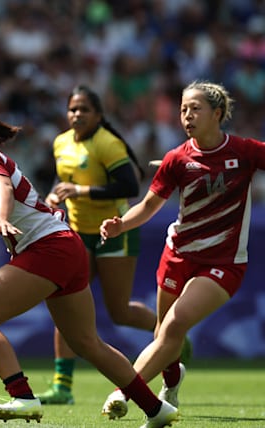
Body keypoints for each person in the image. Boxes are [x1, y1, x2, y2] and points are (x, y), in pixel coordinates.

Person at [0, 107, 178, 427]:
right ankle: (156, 409)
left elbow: (1, 186)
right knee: (87, 343)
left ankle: (22, 396)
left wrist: (2, 218)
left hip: (48, 249)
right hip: (66, 247)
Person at [100, 81, 263, 419]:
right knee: (163, 333)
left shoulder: (245, 151)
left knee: (173, 328)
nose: (187, 115)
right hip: (178, 255)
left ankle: (124, 394)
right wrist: (120, 224)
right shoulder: (177, 158)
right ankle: (172, 380)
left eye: (195, 108)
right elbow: (147, 206)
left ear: (217, 114)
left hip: (223, 263)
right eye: (183, 109)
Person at [39, 85, 156, 405]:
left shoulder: (107, 142)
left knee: (119, 313)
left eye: (84, 110)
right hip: (78, 233)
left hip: (114, 231)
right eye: (72, 109)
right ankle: (62, 386)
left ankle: (170, 333)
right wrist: (54, 195)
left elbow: (130, 185)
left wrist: (80, 192)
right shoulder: (61, 142)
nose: (77, 115)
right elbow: (61, 181)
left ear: (99, 116)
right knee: (66, 303)